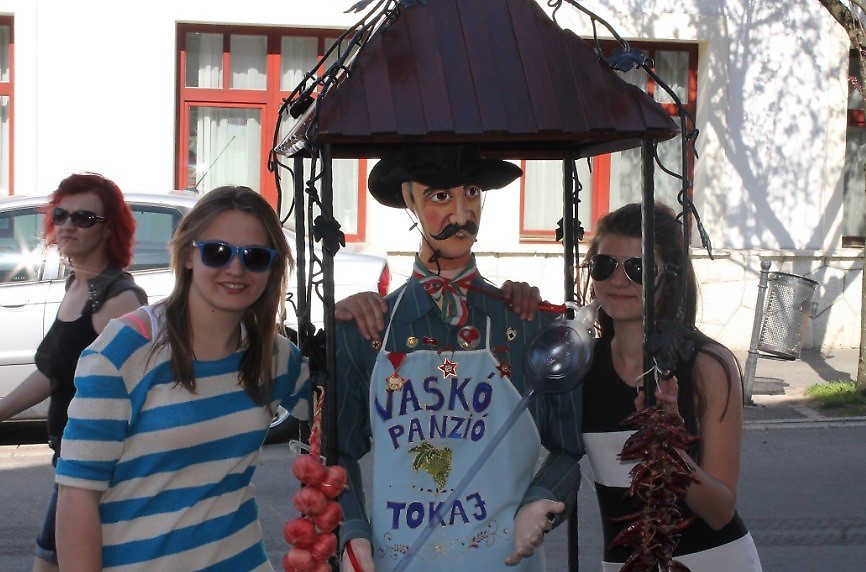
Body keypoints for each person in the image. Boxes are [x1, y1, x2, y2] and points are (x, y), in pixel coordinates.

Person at [334, 144, 584, 571]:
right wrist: (353, 531)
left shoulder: (529, 326)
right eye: (440, 196)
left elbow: (568, 448)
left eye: (471, 192)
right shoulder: (368, 329)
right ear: (409, 199)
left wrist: (541, 500)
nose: (462, 213)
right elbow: (336, 454)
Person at [54, 186, 310, 571]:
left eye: (255, 256)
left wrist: (353, 320)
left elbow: (342, 409)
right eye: (217, 252)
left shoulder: (276, 357)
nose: (236, 269)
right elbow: (77, 496)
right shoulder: (126, 350)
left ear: (271, 267)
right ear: (189, 254)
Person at [579, 202, 762, 570]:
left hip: (712, 561)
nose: (618, 281)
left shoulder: (707, 365)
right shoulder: (584, 363)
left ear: (671, 278)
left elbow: (720, 512)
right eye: (604, 265)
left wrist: (668, 444)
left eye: (639, 269)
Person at [0, 173, 148, 572]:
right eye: (61, 214)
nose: (68, 225)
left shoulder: (119, 299)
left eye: (84, 218)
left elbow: (142, 391)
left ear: (109, 229)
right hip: (71, 460)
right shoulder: (76, 286)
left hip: (97, 470)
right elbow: (54, 372)